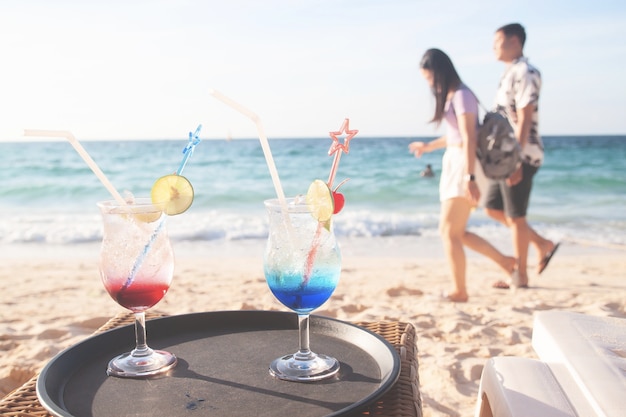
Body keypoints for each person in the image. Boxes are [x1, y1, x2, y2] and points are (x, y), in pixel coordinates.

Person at [409, 48, 516, 302]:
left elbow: (469, 138)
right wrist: (428, 146)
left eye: (430, 78)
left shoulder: (462, 95)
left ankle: (460, 291)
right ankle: (506, 261)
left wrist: (469, 177)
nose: (429, 84)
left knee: (448, 231)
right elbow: (455, 135)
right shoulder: (454, 95)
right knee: (456, 232)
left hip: (464, 166)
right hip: (455, 161)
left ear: (440, 72)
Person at [485, 23, 559, 289]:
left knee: (516, 217)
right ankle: (541, 243)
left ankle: (520, 277)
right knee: (493, 208)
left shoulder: (527, 72)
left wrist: (516, 159)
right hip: (503, 158)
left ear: (514, 41)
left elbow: (525, 116)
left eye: (497, 41)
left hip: (521, 155)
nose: (493, 47)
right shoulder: (509, 73)